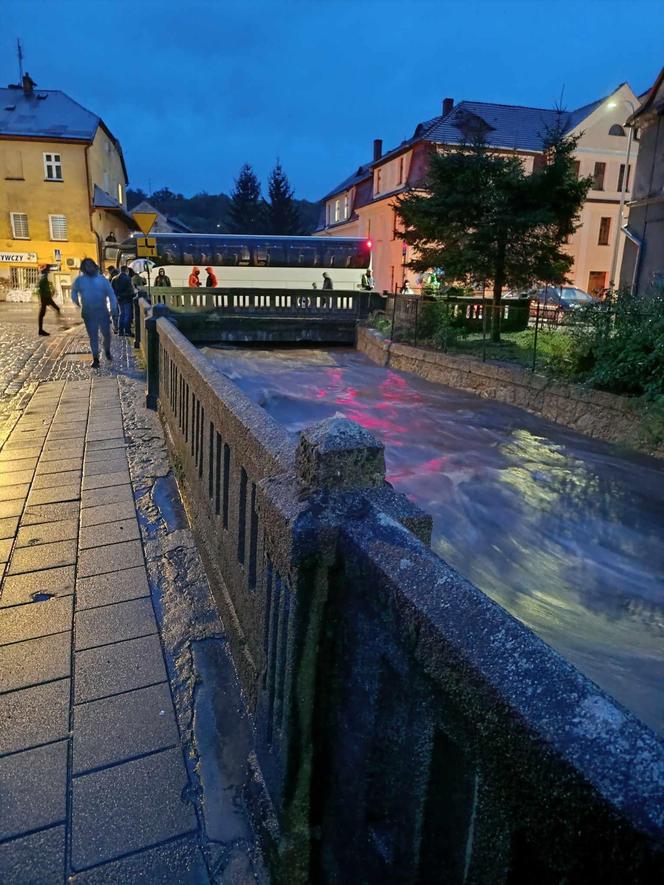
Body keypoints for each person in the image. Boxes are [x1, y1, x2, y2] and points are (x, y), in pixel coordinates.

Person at [71, 258, 117, 368]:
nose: (89, 268)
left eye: (90, 265)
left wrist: (113, 308)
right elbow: (74, 291)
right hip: (88, 312)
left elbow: (111, 294)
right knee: (93, 336)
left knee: (106, 334)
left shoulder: (102, 280)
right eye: (86, 266)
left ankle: (107, 350)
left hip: (102, 310)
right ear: (83, 268)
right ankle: (95, 358)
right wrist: (76, 301)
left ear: (94, 266)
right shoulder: (79, 280)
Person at [37, 265, 61, 336]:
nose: (48, 273)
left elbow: (44, 289)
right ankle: (41, 330)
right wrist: (47, 297)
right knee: (42, 314)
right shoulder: (43, 280)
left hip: (46, 298)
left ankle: (41, 330)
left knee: (43, 314)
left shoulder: (44, 279)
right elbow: (43, 290)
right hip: (46, 298)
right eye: (48, 272)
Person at [112, 265, 134, 336]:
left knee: (121, 314)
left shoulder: (114, 278)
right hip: (127, 299)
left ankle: (120, 331)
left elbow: (112, 289)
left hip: (118, 299)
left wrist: (117, 296)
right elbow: (130, 290)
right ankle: (127, 331)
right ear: (126, 270)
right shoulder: (127, 278)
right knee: (127, 315)